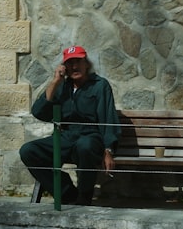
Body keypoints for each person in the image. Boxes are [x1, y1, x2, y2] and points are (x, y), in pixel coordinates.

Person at [19, 46, 121, 205]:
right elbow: (39, 112)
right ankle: (68, 193)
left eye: (78, 62)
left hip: (90, 138)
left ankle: (84, 197)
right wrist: (55, 82)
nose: (74, 66)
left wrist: (108, 150)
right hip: (66, 138)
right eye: (70, 63)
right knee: (28, 151)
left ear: (86, 63)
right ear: (64, 67)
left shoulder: (100, 85)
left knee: (84, 146)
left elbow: (108, 117)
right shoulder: (62, 87)